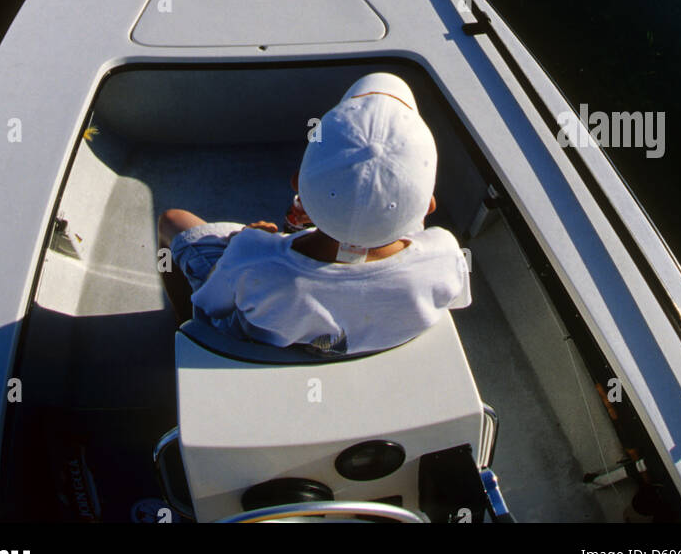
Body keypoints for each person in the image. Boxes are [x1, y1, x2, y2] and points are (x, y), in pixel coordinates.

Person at [156, 73, 470, 356]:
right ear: (427, 206)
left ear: (298, 186)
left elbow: (212, 304)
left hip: (255, 350)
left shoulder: (251, 256)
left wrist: (254, 240)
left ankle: (185, 332)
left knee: (172, 221)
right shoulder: (444, 254)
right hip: (365, 356)